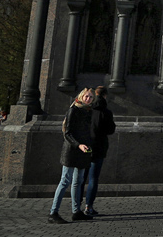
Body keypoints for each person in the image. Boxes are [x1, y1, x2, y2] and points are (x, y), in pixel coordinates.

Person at [48, 88, 96, 224]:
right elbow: (67, 133)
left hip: (83, 150)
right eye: (86, 96)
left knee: (78, 181)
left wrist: (88, 145)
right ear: (81, 96)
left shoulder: (89, 111)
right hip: (71, 150)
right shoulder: (73, 110)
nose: (88, 99)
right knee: (65, 181)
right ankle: (53, 212)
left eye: (91, 97)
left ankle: (76, 211)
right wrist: (79, 145)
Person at [78, 86, 116, 217]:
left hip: (85, 147)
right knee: (93, 178)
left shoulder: (87, 110)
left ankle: (76, 205)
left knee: (81, 177)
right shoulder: (106, 112)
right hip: (99, 147)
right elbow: (111, 130)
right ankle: (89, 206)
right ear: (105, 96)